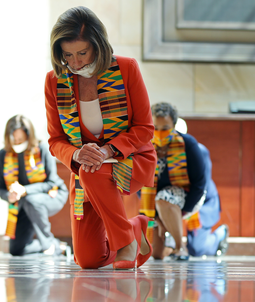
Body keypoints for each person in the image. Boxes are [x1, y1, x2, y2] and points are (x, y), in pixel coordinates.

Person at [44, 6, 156, 270]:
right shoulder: (54, 81)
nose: (76, 62)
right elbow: (55, 140)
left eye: (82, 52)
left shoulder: (127, 68)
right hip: (85, 167)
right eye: (67, 55)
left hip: (132, 158)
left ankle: (125, 243)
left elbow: (145, 128)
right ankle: (133, 228)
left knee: (91, 171)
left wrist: (107, 151)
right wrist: (75, 154)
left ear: (98, 45)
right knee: (88, 260)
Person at [141, 102, 206, 261]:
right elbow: (139, 183)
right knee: (156, 254)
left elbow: (199, 183)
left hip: (187, 196)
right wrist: (159, 219)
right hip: (154, 203)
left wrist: (183, 211)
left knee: (164, 198)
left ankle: (180, 246)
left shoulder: (188, 143)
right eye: (156, 128)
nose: (160, 133)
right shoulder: (145, 145)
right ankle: (170, 244)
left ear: (174, 125)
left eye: (165, 128)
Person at [0, 115, 68, 256]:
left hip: (52, 195)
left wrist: (25, 190)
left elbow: (51, 182)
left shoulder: (41, 149)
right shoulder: (3, 154)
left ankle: (47, 242)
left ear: (29, 137)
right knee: (16, 250)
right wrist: (8, 196)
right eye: (14, 140)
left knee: (32, 200)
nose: (17, 143)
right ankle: (57, 246)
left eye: (21, 140)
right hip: (22, 203)